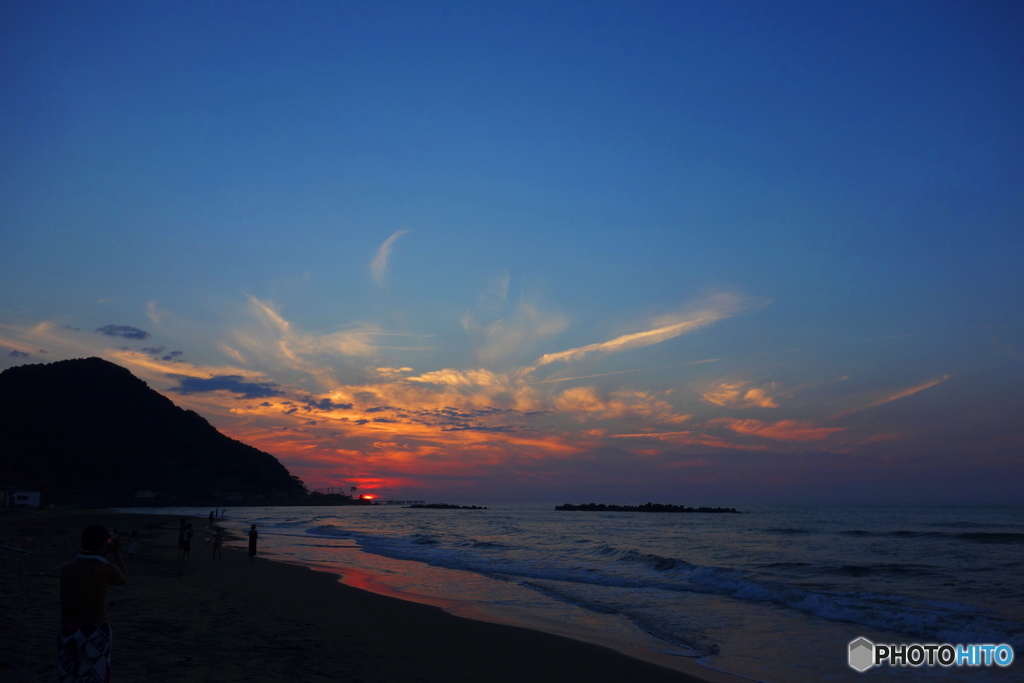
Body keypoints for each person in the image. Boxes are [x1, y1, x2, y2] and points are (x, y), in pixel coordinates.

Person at [58, 525, 127, 682]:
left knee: (67, 676)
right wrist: (116, 552)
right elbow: (122, 578)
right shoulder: (106, 569)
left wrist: (102, 549)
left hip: (67, 628)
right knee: (94, 676)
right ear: (103, 543)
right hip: (95, 630)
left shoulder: (66, 568)